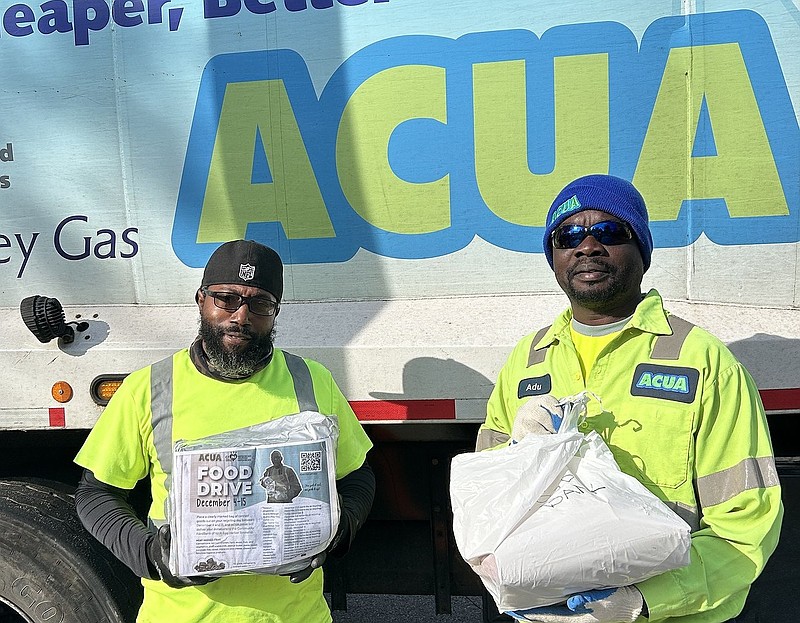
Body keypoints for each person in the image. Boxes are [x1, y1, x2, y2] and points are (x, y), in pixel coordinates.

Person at [477, 175, 783, 623]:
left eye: (609, 231)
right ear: (554, 258)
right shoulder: (526, 362)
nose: (587, 246)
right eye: (568, 236)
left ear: (641, 249)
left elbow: (747, 525)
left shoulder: (701, 360)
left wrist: (644, 601)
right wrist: (515, 453)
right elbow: (484, 504)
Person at [74, 239, 375, 623]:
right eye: (226, 298)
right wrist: (151, 555)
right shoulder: (149, 389)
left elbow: (357, 475)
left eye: (260, 303)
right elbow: (97, 493)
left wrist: (337, 532)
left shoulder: (312, 380)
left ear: (275, 312)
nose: (241, 316)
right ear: (201, 299)